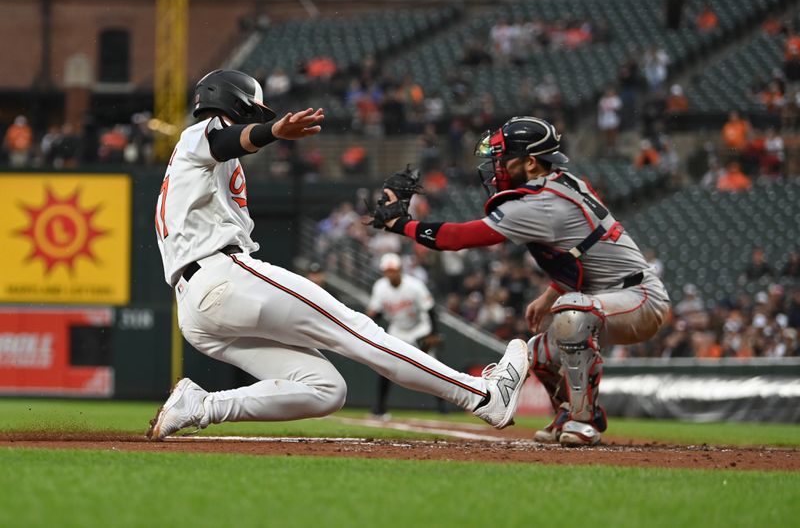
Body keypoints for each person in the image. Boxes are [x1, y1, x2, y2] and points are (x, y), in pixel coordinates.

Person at [146, 69, 530, 440]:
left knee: (326, 389)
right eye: (254, 112)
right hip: (223, 276)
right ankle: (482, 395)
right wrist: (272, 131)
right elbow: (223, 138)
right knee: (358, 332)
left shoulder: (193, 169)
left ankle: (201, 406)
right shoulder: (198, 137)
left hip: (196, 309)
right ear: (238, 105)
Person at [371, 116, 671, 446]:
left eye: (503, 159)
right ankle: (566, 414)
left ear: (530, 162)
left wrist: (402, 224)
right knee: (536, 352)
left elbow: (456, 238)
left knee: (571, 313)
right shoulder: (559, 183)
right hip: (611, 296)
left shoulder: (540, 204)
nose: (496, 167)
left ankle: (584, 421)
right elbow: (582, 253)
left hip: (639, 297)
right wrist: (550, 293)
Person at [367, 253, 447, 418]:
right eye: (387, 271)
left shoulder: (414, 285)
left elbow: (430, 309)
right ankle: (380, 408)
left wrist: (434, 333)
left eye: (393, 270)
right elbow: (376, 312)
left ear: (400, 270)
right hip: (397, 329)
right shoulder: (380, 287)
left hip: (419, 328)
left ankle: (443, 406)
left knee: (431, 367)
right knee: (386, 367)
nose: (391, 274)